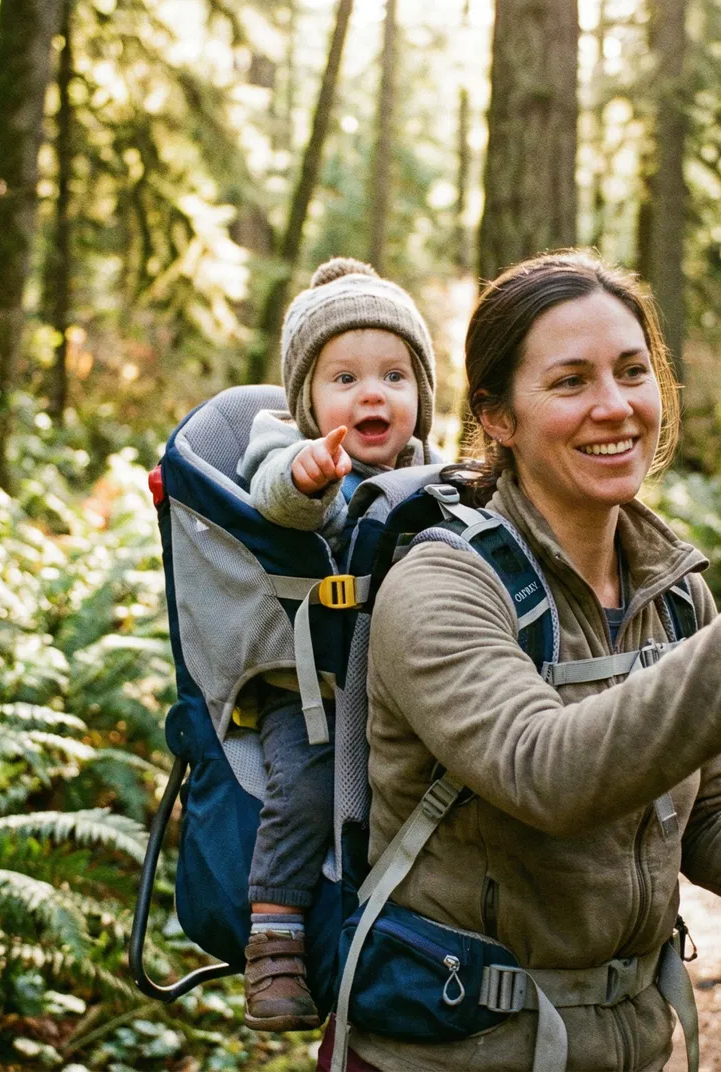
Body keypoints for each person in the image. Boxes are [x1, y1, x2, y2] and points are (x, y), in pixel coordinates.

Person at [331, 251, 721, 1070]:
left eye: (633, 372)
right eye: (570, 382)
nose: (615, 407)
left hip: (629, 1048)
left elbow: (710, 820)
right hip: (447, 1053)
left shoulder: (668, 590)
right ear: (499, 416)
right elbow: (545, 772)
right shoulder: (442, 584)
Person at [234, 257, 437, 1031]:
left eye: (393, 375)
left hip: (400, 684)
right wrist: (311, 474)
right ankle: (275, 939)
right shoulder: (288, 448)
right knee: (308, 788)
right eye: (344, 379)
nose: (371, 394)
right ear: (306, 399)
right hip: (308, 687)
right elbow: (274, 494)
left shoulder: (430, 467)